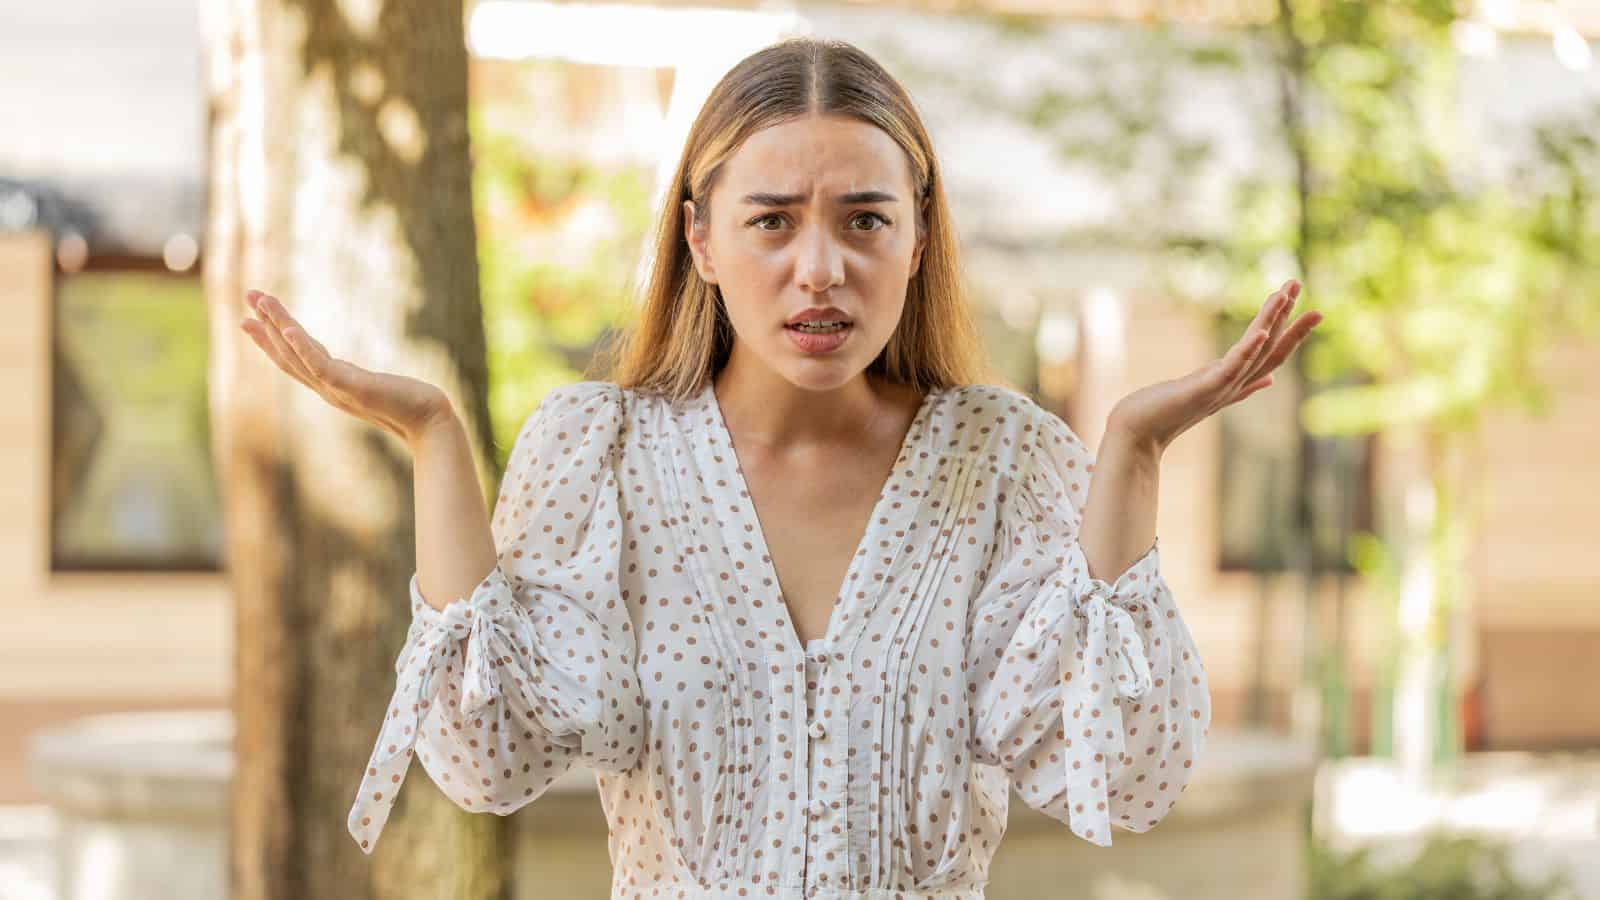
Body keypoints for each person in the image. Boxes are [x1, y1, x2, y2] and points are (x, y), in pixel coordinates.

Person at [239, 35, 1320, 899]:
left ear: (917, 236)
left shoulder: (1002, 459)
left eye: (864, 220)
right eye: (771, 222)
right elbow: (486, 760)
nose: (821, 269)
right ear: (700, 241)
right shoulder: (601, 456)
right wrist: (435, 439)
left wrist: (1131, 451)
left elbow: (1126, 778)